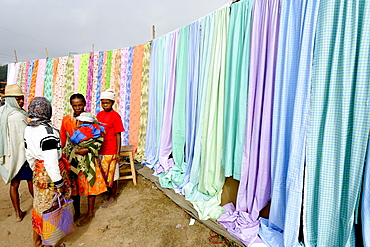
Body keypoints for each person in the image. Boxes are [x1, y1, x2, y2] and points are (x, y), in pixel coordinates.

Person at [24, 97, 72, 247]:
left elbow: (29, 155)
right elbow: (51, 161)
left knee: (39, 208)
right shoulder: (49, 132)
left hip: (38, 172)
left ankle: (36, 242)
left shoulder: (28, 129)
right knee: (52, 210)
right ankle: (48, 243)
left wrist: (36, 170)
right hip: (52, 174)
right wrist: (59, 182)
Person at [63, 111, 107, 227]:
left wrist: (87, 150)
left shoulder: (97, 133)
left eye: (86, 122)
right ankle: (77, 212)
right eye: (82, 122)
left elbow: (98, 145)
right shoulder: (75, 132)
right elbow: (69, 145)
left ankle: (89, 213)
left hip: (88, 163)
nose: (83, 124)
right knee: (75, 188)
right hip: (75, 164)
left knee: (90, 188)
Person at [0, 84, 33, 222]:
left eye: (21, 98)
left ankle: (17, 213)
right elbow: (25, 136)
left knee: (14, 185)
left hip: (10, 156)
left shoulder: (2, 111)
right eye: (18, 99)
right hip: (22, 156)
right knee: (31, 182)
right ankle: (40, 208)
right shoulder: (16, 116)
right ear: (11, 99)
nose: (21, 101)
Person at [60, 93, 86, 221]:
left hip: (86, 155)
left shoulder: (90, 119)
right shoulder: (66, 120)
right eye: (75, 105)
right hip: (72, 157)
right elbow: (62, 138)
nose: (78, 108)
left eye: (80, 105)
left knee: (87, 184)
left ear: (84, 104)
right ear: (71, 105)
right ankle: (77, 212)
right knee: (74, 185)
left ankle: (90, 212)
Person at [97, 89, 124, 208]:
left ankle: (113, 197)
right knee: (104, 174)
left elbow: (118, 135)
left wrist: (118, 153)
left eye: (107, 103)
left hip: (111, 150)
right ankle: (108, 195)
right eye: (103, 103)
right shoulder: (99, 115)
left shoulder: (115, 117)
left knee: (112, 175)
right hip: (101, 150)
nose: (104, 105)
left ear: (112, 103)